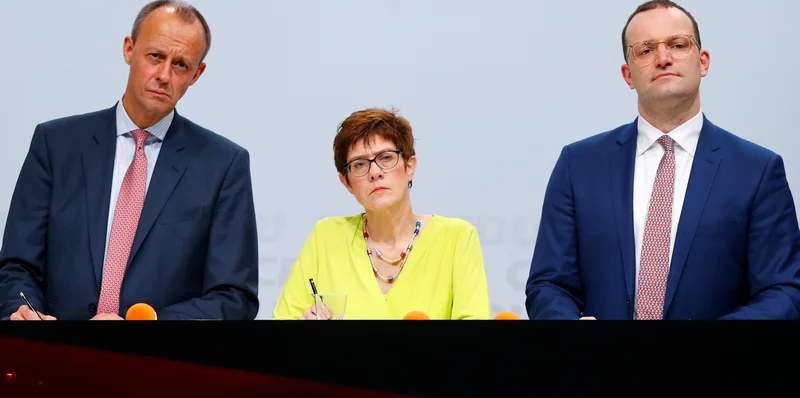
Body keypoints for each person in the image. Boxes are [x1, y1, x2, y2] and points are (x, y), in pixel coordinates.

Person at [526, 0, 800, 320]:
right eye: (645, 50)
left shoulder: (757, 170)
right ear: (628, 75)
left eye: (678, 44)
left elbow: (785, 291)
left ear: (703, 61)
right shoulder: (579, 165)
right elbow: (548, 284)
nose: (663, 58)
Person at [0, 0, 259, 320]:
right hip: (56, 354)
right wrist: (23, 310)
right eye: (155, 56)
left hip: (155, 363)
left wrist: (144, 328)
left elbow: (234, 298)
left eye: (181, 65)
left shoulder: (223, 165)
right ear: (128, 49)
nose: (164, 75)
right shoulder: (56, 144)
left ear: (197, 74)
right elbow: (17, 266)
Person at [272, 108, 491, 319]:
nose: (375, 172)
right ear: (346, 182)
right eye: (359, 164)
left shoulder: (456, 238)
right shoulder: (326, 235)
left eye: (386, 158)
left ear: (409, 166)